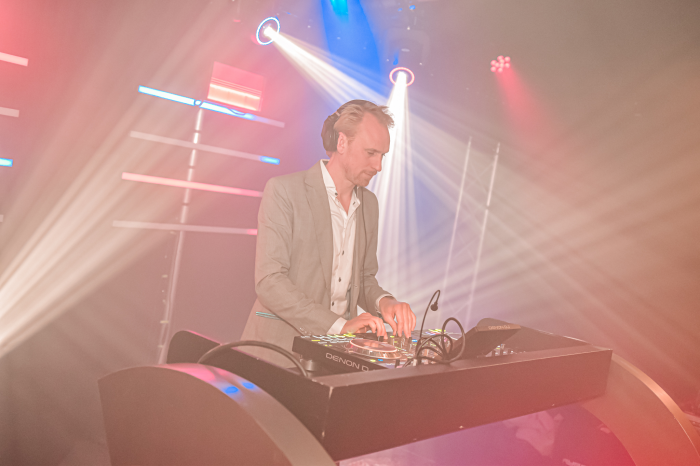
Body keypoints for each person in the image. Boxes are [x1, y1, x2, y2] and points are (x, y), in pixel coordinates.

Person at [240, 100, 416, 366]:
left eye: (382, 155)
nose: (378, 166)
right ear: (341, 142)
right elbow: (269, 281)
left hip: (336, 356)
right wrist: (338, 326)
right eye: (371, 152)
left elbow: (363, 279)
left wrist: (385, 303)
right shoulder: (284, 191)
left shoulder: (369, 204)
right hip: (276, 353)